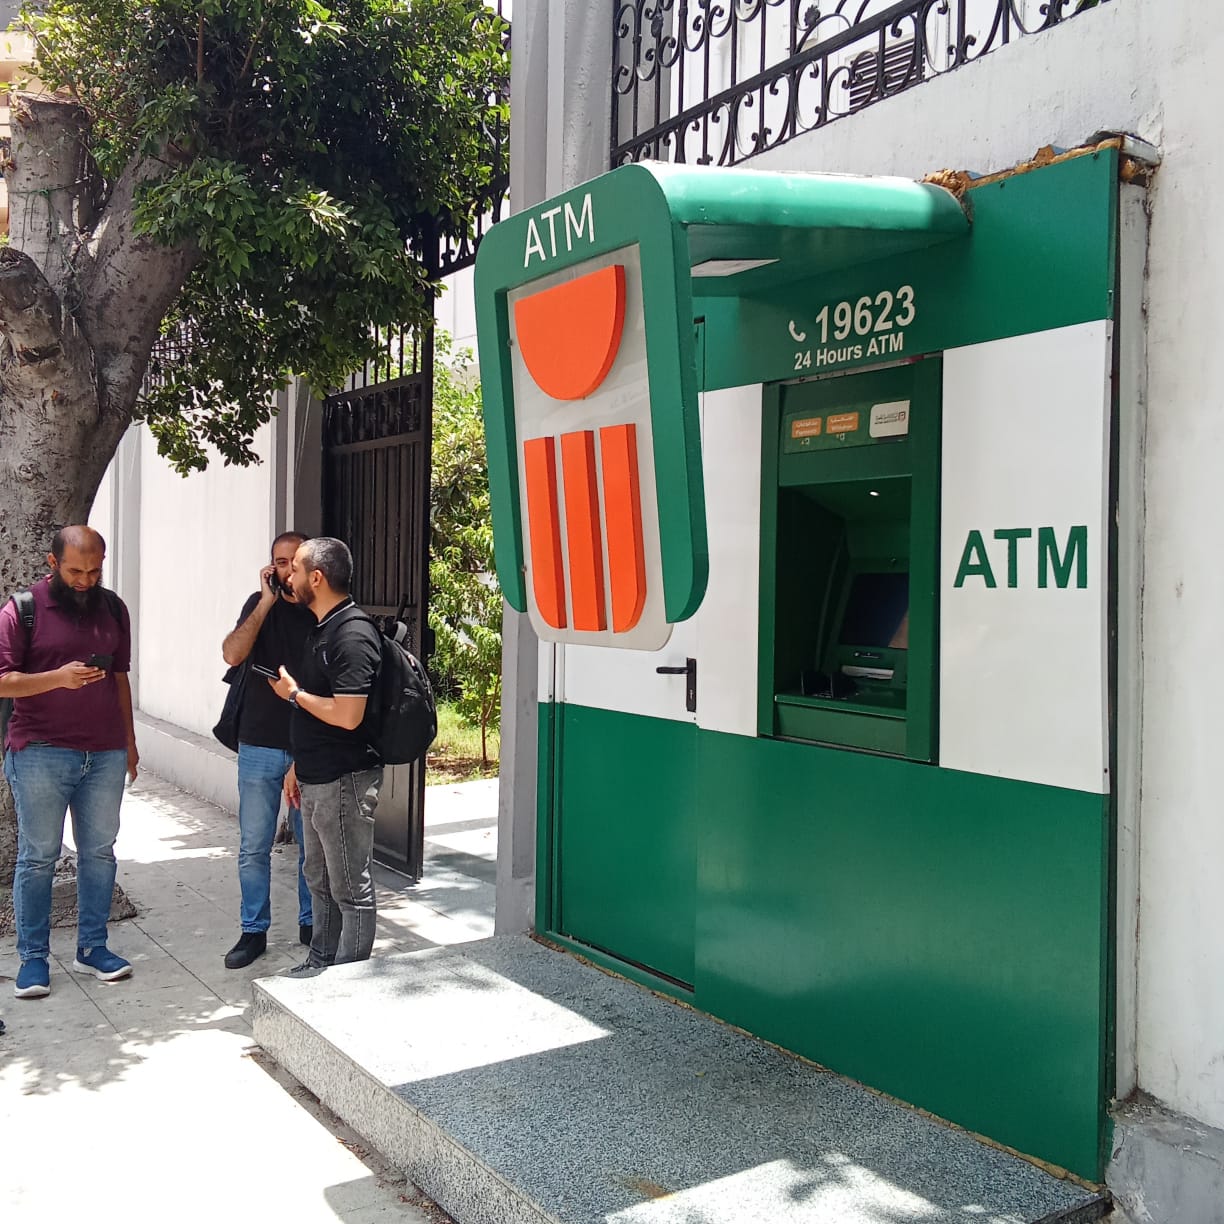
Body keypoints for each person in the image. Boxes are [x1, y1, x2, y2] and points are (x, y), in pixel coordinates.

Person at [0, 526, 138, 999]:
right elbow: (3, 681)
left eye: (95, 571)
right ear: (53, 563)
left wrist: (129, 742)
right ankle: (33, 959)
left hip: (104, 753)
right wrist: (57, 678)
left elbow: (120, 677)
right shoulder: (22, 610)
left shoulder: (113, 608)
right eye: (76, 571)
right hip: (40, 751)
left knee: (99, 852)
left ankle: (93, 948)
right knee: (39, 857)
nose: (85, 580)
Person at [270, 538, 383, 975]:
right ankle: (320, 964)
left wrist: (294, 694)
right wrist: (298, 765)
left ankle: (348, 983)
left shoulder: (352, 634)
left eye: (296, 569)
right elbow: (321, 711)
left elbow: (348, 716)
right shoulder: (322, 627)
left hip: (345, 779)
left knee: (350, 889)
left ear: (316, 577)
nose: (289, 576)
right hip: (316, 776)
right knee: (318, 879)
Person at [219, 531, 316, 969]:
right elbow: (232, 654)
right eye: (279, 562)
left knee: (311, 846)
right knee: (254, 846)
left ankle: (312, 923)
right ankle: (253, 930)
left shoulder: (322, 611)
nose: (287, 569)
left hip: (309, 744)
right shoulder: (259, 606)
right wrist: (264, 602)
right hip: (258, 741)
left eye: (295, 561)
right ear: (270, 568)